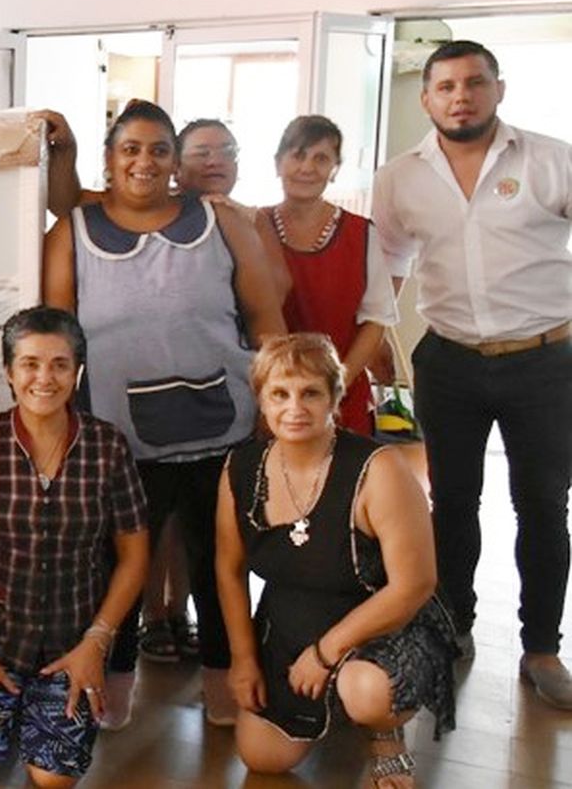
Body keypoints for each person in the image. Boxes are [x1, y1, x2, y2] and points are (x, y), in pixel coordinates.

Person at [42, 100, 286, 728]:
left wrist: (275, 410)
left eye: (157, 150)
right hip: (118, 441)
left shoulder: (222, 223)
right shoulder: (74, 231)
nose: (143, 161)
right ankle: (112, 683)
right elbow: (56, 341)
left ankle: (228, 684)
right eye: (130, 149)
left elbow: (265, 319)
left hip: (222, 431)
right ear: (110, 160)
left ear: (176, 163)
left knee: (219, 565)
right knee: (119, 568)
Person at [371, 39, 572, 708]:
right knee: (452, 502)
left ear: (498, 89)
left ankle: (541, 647)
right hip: (450, 360)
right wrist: (378, 350)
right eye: (447, 86)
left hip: (544, 362)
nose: (462, 96)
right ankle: (454, 628)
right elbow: (389, 266)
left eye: (475, 82)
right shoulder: (400, 177)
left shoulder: (550, 160)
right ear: (427, 98)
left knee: (543, 505)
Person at [215, 333, 456, 789]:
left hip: (385, 623)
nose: (294, 408)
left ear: (335, 397)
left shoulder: (378, 468)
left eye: (311, 393)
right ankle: (332, 710)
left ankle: (385, 733)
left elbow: (414, 585)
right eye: (279, 394)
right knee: (262, 757)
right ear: (261, 402)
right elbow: (228, 568)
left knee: (366, 692)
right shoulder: (241, 468)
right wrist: (243, 658)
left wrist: (326, 653)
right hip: (289, 624)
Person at [0, 307, 148, 788]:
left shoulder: (108, 447)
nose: (44, 378)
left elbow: (135, 557)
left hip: (73, 642)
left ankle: (36, 709)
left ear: (78, 373)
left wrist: (96, 644)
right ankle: (13, 709)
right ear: (9, 372)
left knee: (52, 778)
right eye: (30, 364)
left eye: (59, 364)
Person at [136, 117, 246, 664]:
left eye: (225, 150)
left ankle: (186, 615)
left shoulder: (242, 219)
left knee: (206, 528)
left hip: (226, 395)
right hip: (145, 398)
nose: (214, 160)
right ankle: (157, 613)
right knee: (154, 521)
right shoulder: (148, 210)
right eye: (200, 151)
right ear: (178, 164)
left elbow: (269, 298)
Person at [259, 115, 397, 436]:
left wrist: (336, 385)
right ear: (278, 163)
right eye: (297, 155)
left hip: (342, 396)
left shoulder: (362, 233)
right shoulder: (252, 226)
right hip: (273, 399)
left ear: (335, 169)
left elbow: (375, 320)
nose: (307, 168)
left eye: (321, 158)